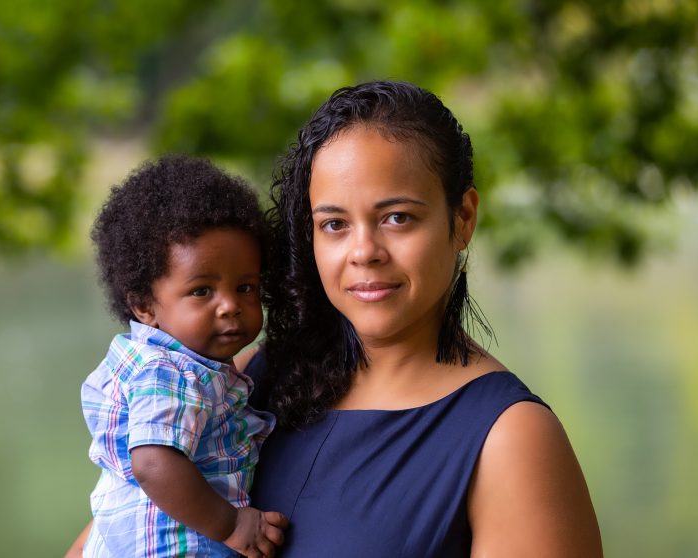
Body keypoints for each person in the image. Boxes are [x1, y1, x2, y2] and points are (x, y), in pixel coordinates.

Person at [240, 80, 604, 556]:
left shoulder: (512, 439)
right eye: (335, 225)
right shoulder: (253, 381)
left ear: (463, 218)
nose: (364, 252)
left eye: (397, 218)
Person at [74, 155, 288, 557]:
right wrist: (232, 525)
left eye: (246, 287)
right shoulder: (168, 371)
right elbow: (154, 462)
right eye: (202, 291)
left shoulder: (172, 360)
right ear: (144, 306)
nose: (230, 306)